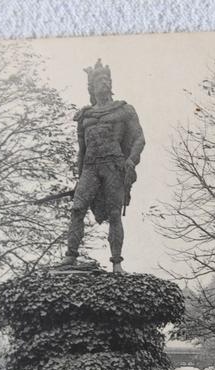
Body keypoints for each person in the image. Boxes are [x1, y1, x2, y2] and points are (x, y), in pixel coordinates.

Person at [60, 59, 145, 274]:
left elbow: (139, 138)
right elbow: (82, 148)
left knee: (115, 214)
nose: (104, 83)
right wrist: (79, 176)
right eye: (99, 80)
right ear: (92, 87)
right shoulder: (85, 116)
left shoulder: (124, 110)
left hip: (113, 165)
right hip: (90, 167)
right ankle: (70, 257)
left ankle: (117, 263)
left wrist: (131, 161)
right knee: (77, 209)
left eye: (107, 80)